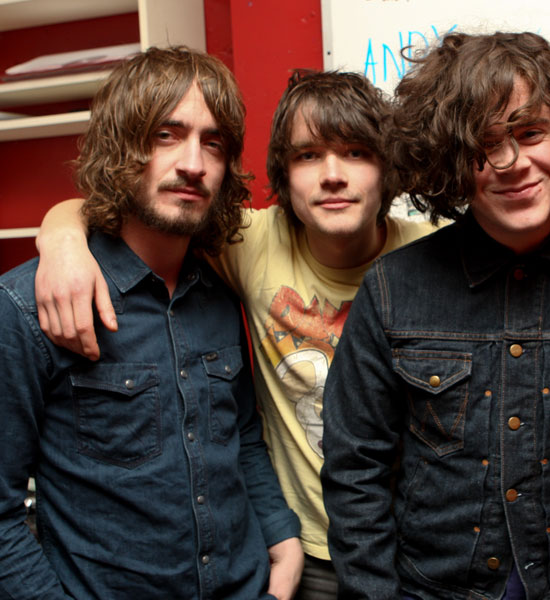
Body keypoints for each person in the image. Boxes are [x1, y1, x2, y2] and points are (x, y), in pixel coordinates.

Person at [319, 31, 550, 600]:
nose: (512, 163)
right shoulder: (393, 290)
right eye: (483, 144)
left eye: (530, 133)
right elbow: (355, 471)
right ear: (449, 160)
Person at [33, 69, 436, 598]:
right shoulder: (250, 243)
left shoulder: (436, 256)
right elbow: (140, 203)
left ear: (388, 167)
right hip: (310, 553)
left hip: (423, 552)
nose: (333, 176)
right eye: (308, 155)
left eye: (357, 152)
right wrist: (61, 237)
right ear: (284, 175)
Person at [0, 46, 303, 599]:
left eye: (213, 143)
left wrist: (283, 543)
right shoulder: (29, 305)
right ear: (122, 147)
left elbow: (240, 438)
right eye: (167, 135)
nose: (193, 164)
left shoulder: (219, 294)